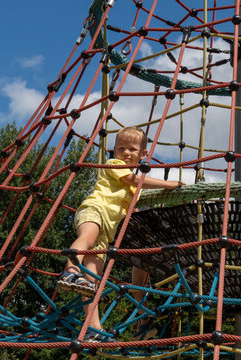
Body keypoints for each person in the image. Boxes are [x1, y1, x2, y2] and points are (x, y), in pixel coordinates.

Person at [57, 126, 184, 343]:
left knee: (92, 281)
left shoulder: (134, 192)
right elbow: (133, 180)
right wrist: (169, 185)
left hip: (107, 232)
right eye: (120, 148)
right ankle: (69, 269)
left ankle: (92, 328)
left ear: (144, 154)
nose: (126, 153)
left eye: (132, 149)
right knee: (86, 238)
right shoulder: (115, 165)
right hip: (93, 210)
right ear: (114, 151)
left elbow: (133, 204)